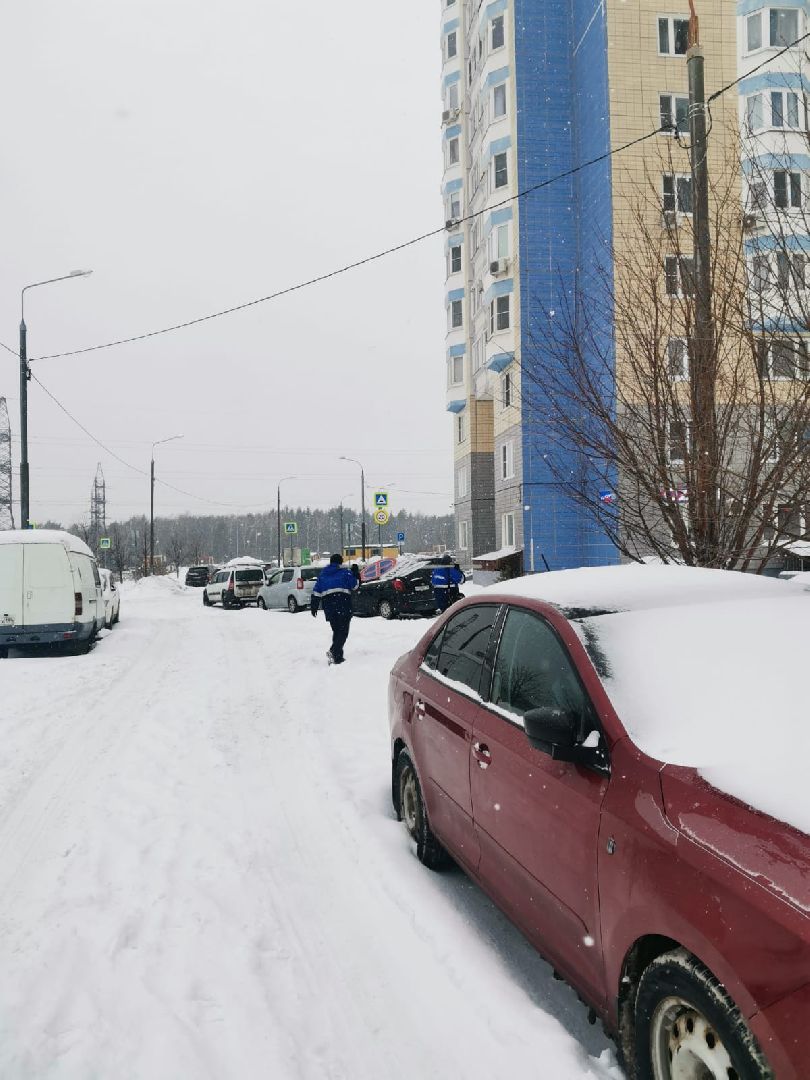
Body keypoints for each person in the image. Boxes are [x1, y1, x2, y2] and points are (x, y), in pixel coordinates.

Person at [311, 553, 360, 665]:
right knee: (343, 632)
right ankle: (334, 651)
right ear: (340, 562)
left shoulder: (323, 574)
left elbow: (316, 591)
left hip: (329, 606)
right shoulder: (345, 573)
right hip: (343, 604)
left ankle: (338, 657)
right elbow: (355, 586)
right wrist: (356, 573)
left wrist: (314, 606)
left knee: (337, 630)